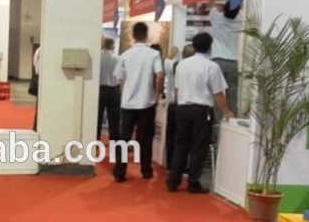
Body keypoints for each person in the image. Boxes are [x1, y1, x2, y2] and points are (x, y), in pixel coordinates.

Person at [166, 31, 234, 194]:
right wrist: (226, 111)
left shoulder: (181, 65)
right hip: (202, 112)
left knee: (180, 145)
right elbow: (218, 93)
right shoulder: (211, 66)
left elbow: (177, 89)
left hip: (182, 109)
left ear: (194, 46)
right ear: (210, 47)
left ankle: (173, 181)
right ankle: (193, 182)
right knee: (199, 146)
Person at [113, 22, 163, 182]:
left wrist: (125, 94)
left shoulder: (125, 55)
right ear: (146, 35)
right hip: (147, 102)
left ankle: (119, 172)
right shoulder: (153, 55)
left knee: (124, 138)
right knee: (145, 138)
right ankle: (146, 170)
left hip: (128, 103)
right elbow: (160, 75)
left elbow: (120, 79)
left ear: (133, 36)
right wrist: (157, 95)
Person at [208, 1, 241, 120]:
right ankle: (233, 120)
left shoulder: (216, 17)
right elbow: (237, 10)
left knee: (217, 92)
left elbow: (214, 7)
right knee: (233, 93)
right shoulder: (240, 19)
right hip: (233, 61)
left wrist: (219, 7)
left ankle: (217, 122)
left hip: (218, 61)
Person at [97, 37, 120, 141]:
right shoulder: (117, 59)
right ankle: (114, 142)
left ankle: (95, 140)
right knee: (114, 119)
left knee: (97, 118)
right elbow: (121, 76)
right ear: (113, 46)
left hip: (100, 90)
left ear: (102, 45)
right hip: (114, 90)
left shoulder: (98, 58)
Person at [31, 43, 42, 131]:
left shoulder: (38, 50)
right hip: (41, 78)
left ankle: (36, 127)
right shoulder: (42, 50)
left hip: (38, 76)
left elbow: (34, 63)